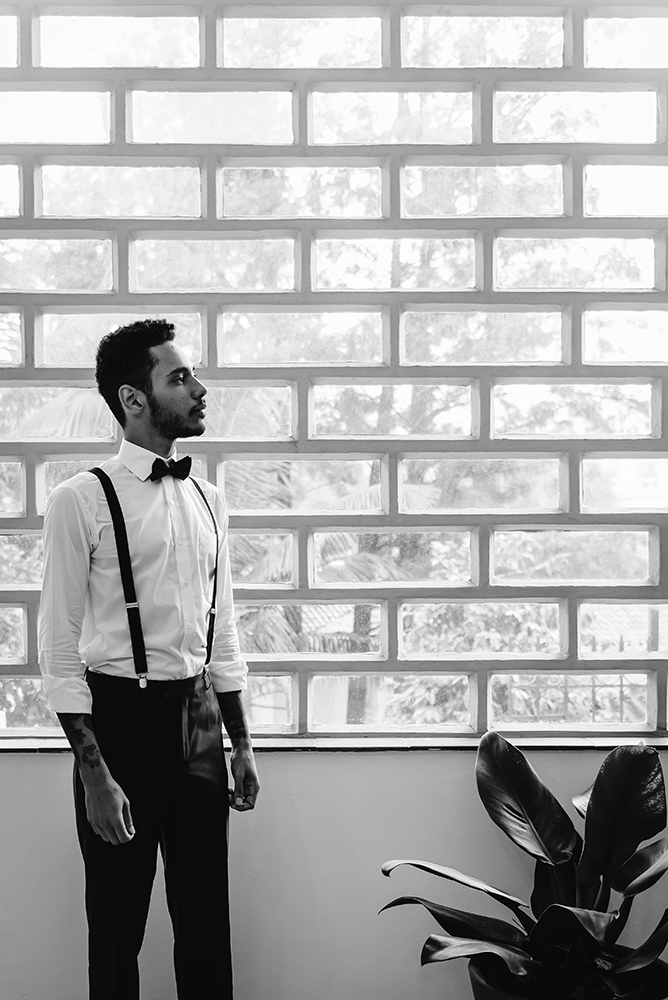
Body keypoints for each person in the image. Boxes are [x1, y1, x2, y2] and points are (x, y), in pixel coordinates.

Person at [38, 318, 259, 1000]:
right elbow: (58, 648)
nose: (199, 389)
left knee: (205, 922)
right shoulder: (80, 499)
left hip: (200, 719)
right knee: (116, 925)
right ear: (134, 399)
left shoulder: (209, 499)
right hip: (120, 721)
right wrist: (94, 773)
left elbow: (222, 631)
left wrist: (241, 745)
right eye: (180, 377)